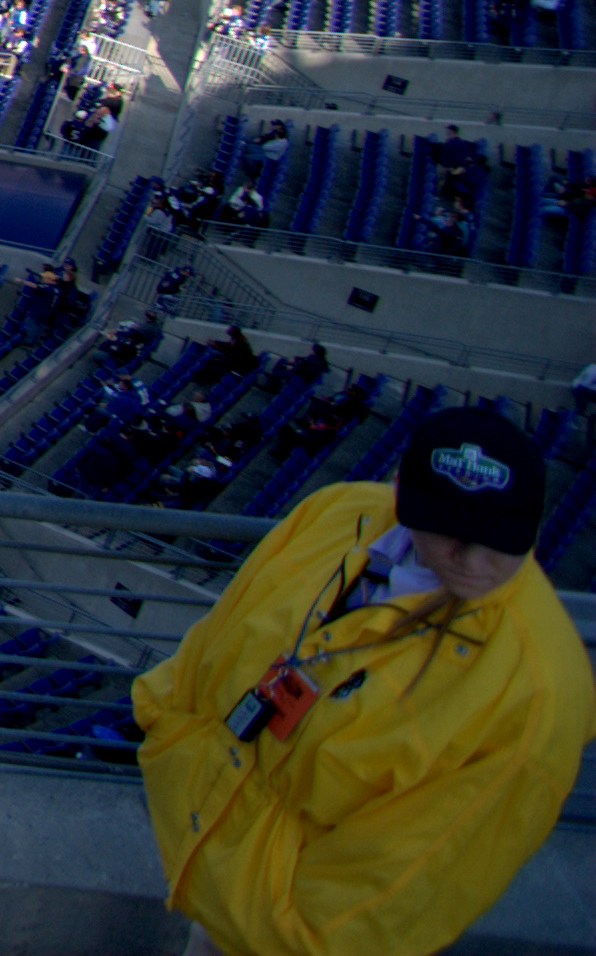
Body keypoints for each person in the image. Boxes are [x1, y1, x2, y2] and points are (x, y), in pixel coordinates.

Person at [133, 407, 584, 956]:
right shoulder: (336, 514)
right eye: (452, 530)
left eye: (498, 537)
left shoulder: (538, 692)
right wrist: (167, 734)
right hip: (216, 882)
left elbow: (395, 889)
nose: (474, 557)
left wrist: (271, 922)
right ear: (400, 493)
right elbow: (220, 634)